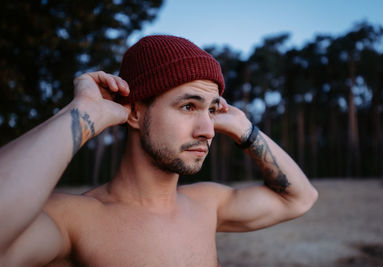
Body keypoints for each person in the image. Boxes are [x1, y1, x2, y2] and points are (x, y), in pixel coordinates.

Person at [0, 35, 318, 266]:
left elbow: (300, 198)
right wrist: (84, 112)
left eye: (211, 110)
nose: (208, 130)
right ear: (135, 112)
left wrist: (244, 129)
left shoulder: (208, 204)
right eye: (188, 106)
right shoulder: (73, 220)